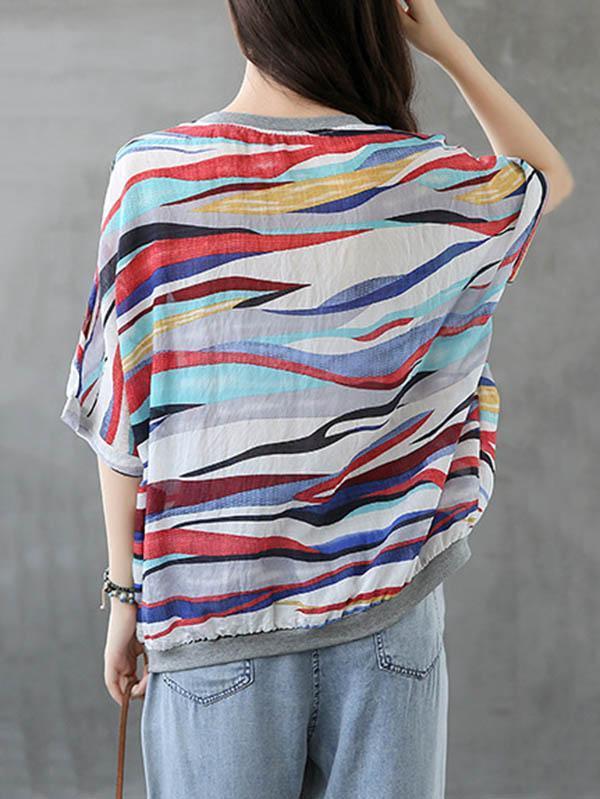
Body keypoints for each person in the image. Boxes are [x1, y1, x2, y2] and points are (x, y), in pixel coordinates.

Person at [59, 1, 574, 797]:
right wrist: (445, 45)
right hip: (389, 622)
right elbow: (545, 177)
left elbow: (123, 420)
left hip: (214, 626)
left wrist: (124, 596)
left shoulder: (152, 180)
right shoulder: (420, 179)